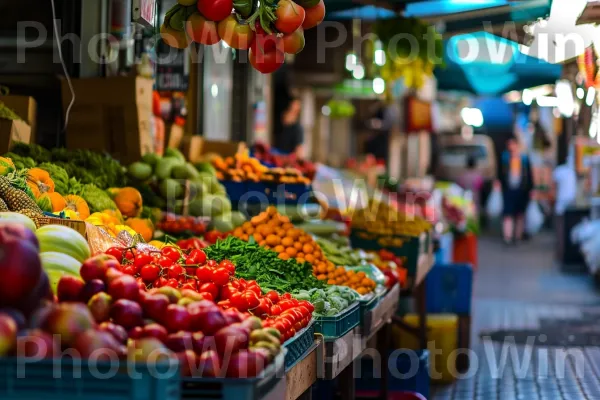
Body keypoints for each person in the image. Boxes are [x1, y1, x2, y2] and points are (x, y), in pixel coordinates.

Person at [499, 136, 534, 245]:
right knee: (508, 213)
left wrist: (531, 188)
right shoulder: (505, 158)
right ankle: (507, 237)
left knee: (520, 214)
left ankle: (517, 236)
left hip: (521, 189)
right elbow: (500, 174)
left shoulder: (523, 158)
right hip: (508, 189)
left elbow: (529, 175)